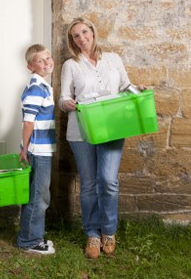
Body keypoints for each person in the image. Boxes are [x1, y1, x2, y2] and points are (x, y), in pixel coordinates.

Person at [59, 17, 146, 259]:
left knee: (107, 181)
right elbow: (63, 98)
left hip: (113, 127)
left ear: (93, 33)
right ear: (72, 40)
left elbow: (126, 86)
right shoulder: (71, 65)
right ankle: (92, 235)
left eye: (84, 32)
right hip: (82, 131)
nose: (81, 38)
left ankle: (109, 231)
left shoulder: (113, 59)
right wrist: (67, 103)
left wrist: (139, 90)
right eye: (76, 36)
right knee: (88, 184)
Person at [15, 44, 56, 255]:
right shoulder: (36, 89)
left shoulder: (43, 86)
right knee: (39, 196)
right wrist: (25, 149)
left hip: (41, 149)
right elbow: (28, 123)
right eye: (40, 60)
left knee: (37, 194)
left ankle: (30, 235)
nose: (47, 62)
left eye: (48, 57)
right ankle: (30, 241)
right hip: (38, 151)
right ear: (31, 66)